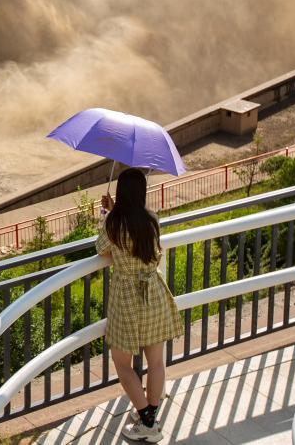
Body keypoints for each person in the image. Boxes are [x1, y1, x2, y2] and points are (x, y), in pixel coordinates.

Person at [95, 168, 185, 443]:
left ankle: (148, 421)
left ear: (119, 193)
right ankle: (150, 414)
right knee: (155, 362)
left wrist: (104, 216)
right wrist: (113, 213)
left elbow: (101, 249)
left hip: (128, 299)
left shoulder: (114, 224)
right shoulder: (151, 221)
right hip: (154, 293)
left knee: (122, 364)